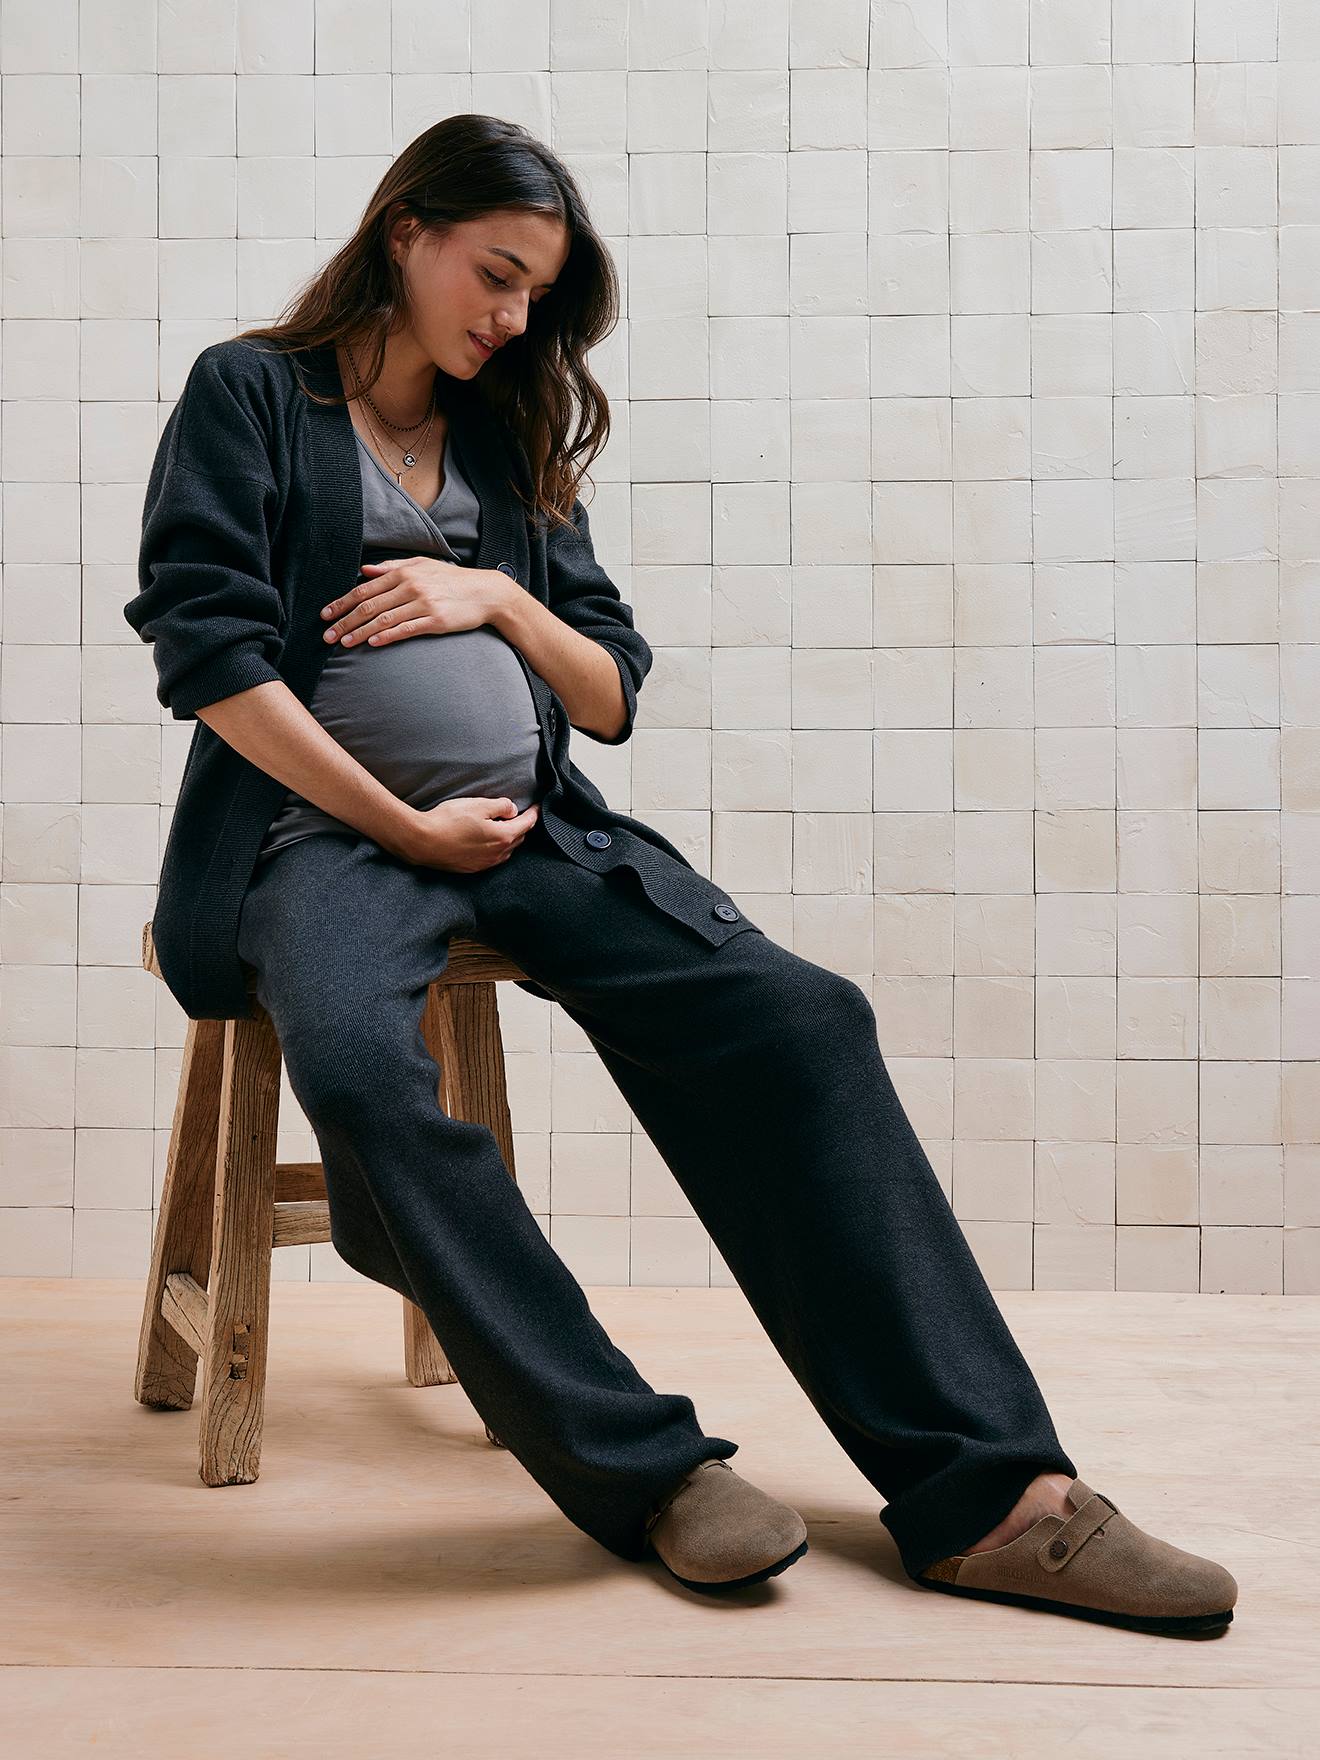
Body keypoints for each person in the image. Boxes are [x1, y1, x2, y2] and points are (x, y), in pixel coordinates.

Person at [127, 114, 1236, 1636]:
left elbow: (609, 696)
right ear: (408, 231)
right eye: (495, 275)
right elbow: (212, 663)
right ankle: (646, 1476)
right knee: (366, 1079)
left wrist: (499, 594)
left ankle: (996, 1497)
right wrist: (401, 825)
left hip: (539, 830)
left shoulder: (509, 427)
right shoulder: (251, 394)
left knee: (801, 1018)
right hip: (323, 841)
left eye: (537, 299)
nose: (513, 320)